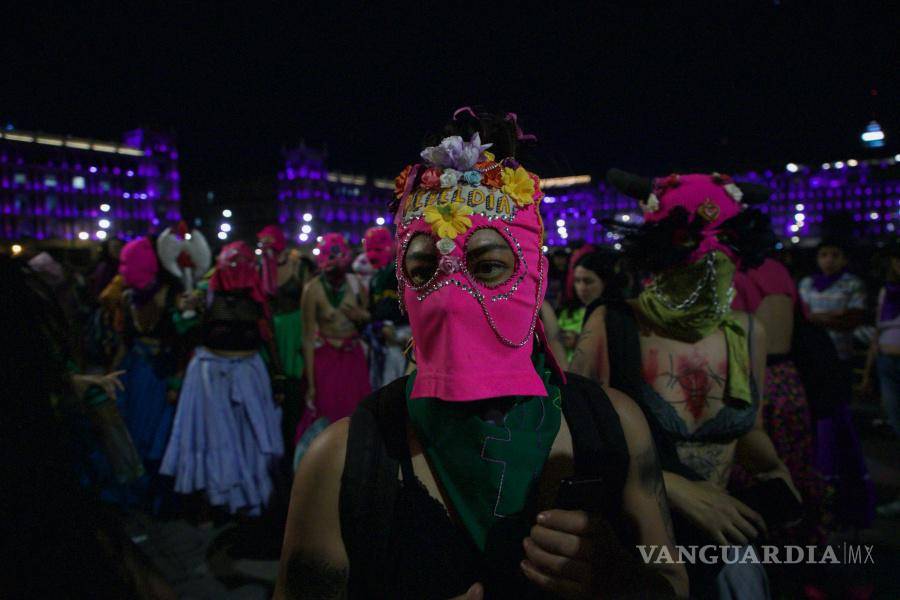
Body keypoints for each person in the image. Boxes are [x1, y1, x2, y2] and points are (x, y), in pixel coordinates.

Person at [275, 110, 687, 599]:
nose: (449, 302)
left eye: (488, 267)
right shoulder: (341, 460)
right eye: (424, 272)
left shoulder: (613, 427)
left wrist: (621, 579)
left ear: (536, 282)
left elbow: (672, 582)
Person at [573, 169, 797, 599]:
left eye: (725, 242)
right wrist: (670, 485)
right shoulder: (613, 324)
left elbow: (748, 430)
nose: (710, 262)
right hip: (637, 545)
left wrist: (774, 470)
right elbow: (577, 434)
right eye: (688, 242)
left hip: (721, 544)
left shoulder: (747, 332)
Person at [160, 241, 284, 516]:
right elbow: (184, 333)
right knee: (213, 440)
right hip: (210, 377)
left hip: (249, 372)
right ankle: (213, 501)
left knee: (250, 440)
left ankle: (249, 502)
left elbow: (268, 338)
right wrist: (184, 309)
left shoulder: (258, 295)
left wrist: (278, 377)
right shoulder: (206, 292)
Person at [729, 257, 828, 546]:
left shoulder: (731, 273)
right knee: (793, 462)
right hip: (788, 379)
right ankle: (800, 538)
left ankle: (768, 544)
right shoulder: (777, 269)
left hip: (754, 376)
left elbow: (736, 332)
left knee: (756, 466)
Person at [797, 238, 875, 530]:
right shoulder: (807, 283)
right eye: (824, 254)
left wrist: (818, 318)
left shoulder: (852, 284)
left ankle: (837, 481)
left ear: (844, 258)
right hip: (812, 363)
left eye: (834, 254)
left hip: (839, 361)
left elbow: (852, 319)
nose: (828, 259)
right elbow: (804, 318)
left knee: (838, 420)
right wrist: (832, 317)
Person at [295, 233, 372, 442]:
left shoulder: (355, 283)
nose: (335, 270)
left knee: (357, 413)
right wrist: (311, 384)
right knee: (326, 413)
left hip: (352, 355)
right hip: (327, 358)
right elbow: (307, 338)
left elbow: (368, 315)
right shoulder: (312, 289)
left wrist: (361, 315)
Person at [864, 246, 900, 517]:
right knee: (897, 427)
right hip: (887, 365)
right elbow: (877, 333)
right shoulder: (888, 292)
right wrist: (868, 372)